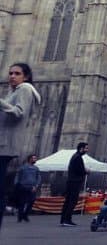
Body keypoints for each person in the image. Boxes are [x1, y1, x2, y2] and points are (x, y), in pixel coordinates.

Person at [0, 62, 41, 233]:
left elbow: (19, 112)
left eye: (17, 73)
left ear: (26, 77)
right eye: (10, 73)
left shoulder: (24, 89)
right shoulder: (14, 91)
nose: (12, 76)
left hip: (4, 146)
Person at [60, 142, 89, 227]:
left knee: (68, 201)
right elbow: (79, 171)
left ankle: (63, 219)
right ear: (81, 148)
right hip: (75, 182)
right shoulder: (78, 158)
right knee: (72, 201)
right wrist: (86, 171)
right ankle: (67, 220)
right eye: (86, 148)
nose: (87, 150)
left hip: (71, 181)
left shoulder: (75, 156)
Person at [14, 154, 41, 222]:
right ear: (29, 159)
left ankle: (25, 215)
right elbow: (17, 176)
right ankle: (20, 217)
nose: (35, 160)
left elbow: (38, 178)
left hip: (32, 187)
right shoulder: (23, 167)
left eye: (35, 158)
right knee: (22, 202)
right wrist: (17, 184)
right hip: (23, 186)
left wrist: (36, 186)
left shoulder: (36, 168)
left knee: (32, 201)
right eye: (34, 158)